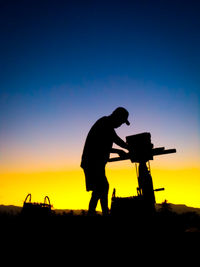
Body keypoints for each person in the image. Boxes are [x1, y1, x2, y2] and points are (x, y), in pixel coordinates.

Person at [81, 107, 130, 215]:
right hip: (91, 162)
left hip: (95, 163)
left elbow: (117, 140)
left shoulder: (107, 125)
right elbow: (99, 146)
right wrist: (119, 151)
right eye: (121, 122)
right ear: (117, 116)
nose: (120, 125)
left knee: (101, 189)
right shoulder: (104, 124)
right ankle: (99, 213)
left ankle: (102, 213)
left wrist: (128, 147)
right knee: (101, 188)